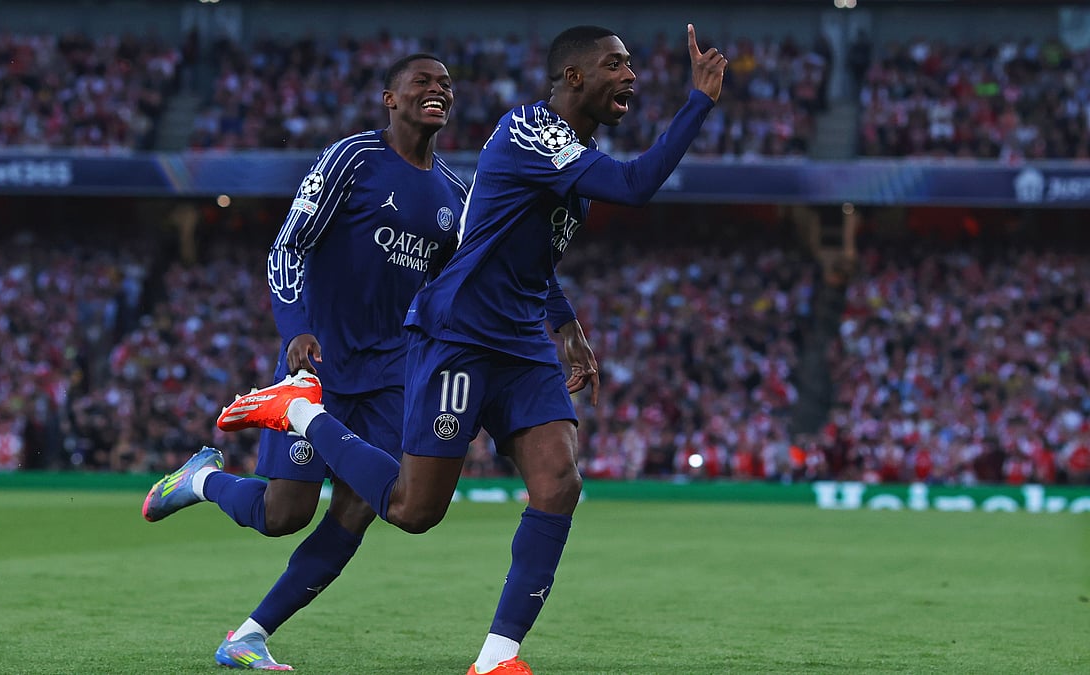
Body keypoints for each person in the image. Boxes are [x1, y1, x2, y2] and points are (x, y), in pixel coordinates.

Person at [218, 23, 727, 674]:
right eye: (616, 64)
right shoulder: (528, 130)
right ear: (574, 76)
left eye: (631, 65)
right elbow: (634, 187)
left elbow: (528, 255)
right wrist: (699, 102)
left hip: (513, 338)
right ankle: (294, 414)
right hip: (456, 334)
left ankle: (497, 657)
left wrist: (567, 327)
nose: (631, 76)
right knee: (404, 509)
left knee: (559, 480)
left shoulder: (560, 152)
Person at [141, 53, 468, 671]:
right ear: (389, 98)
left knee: (362, 505)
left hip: (395, 374)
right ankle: (201, 481)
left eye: (446, 85)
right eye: (422, 81)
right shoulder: (351, 159)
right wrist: (296, 330)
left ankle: (249, 636)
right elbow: (288, 244)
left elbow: (455, 289)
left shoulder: (455, 194)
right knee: (282, 515)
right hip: (319, 362)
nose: (437, 90)